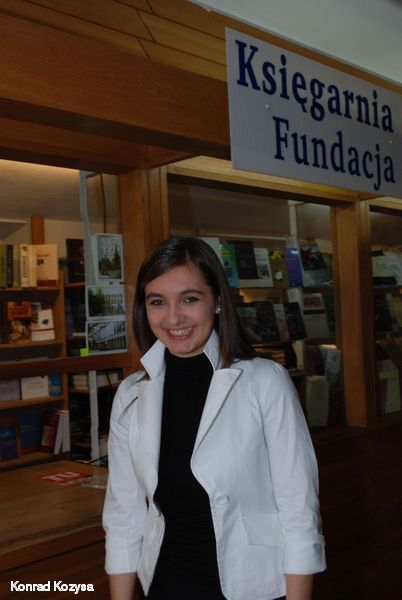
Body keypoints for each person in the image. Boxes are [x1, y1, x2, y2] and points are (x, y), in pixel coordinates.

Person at [102, 236, 326, 600]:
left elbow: (298, 508)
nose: (173, 317)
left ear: (218, 300)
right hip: (165, 585)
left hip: (252, 588)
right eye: (157, 302)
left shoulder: (265, 381)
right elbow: (123, 515)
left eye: (189, 299)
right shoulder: (130, 394)